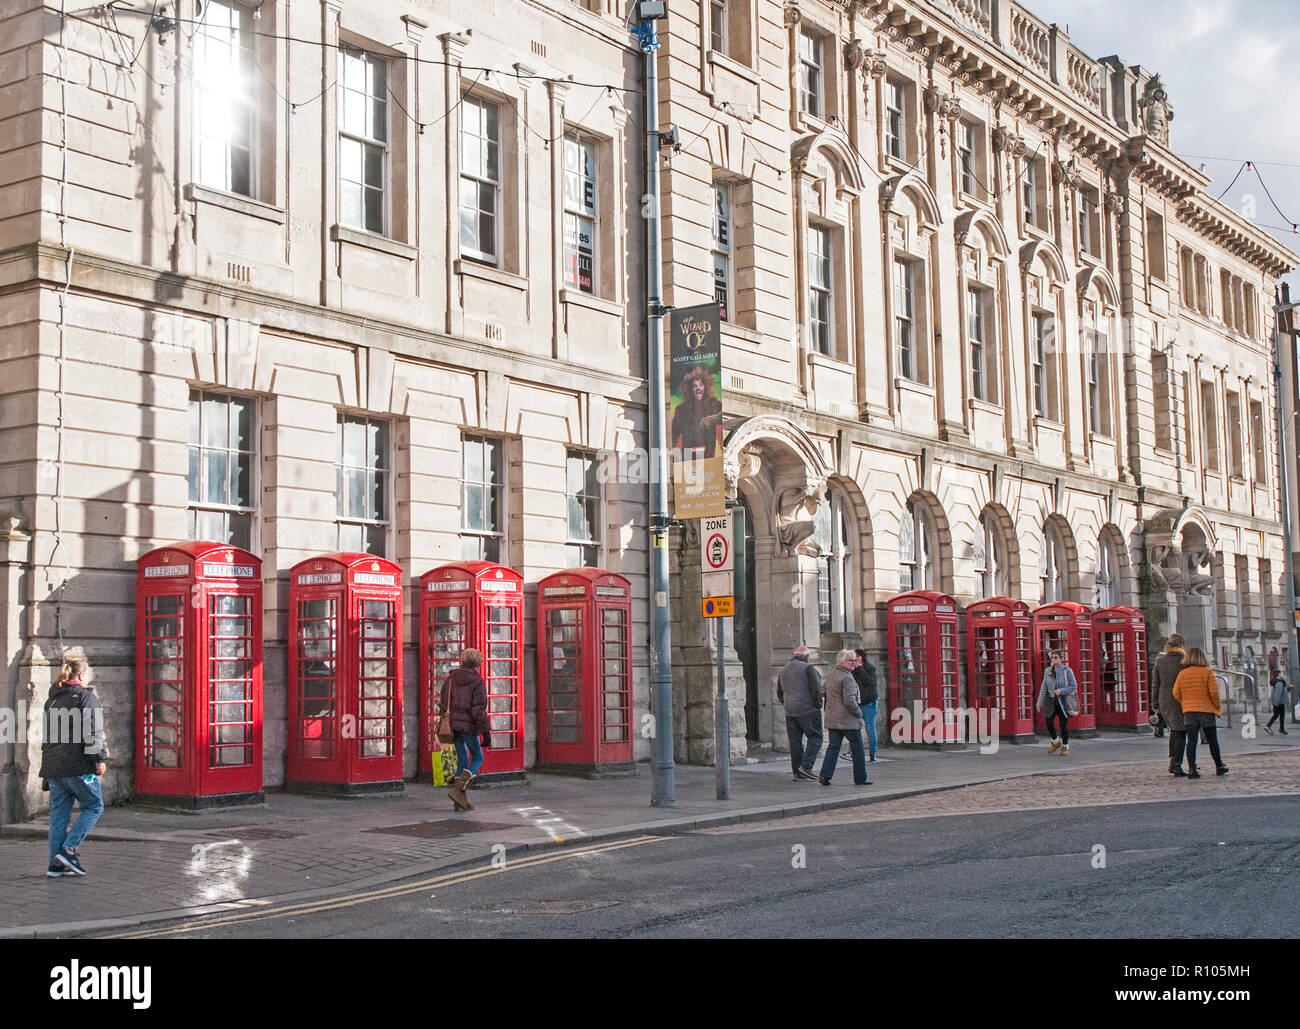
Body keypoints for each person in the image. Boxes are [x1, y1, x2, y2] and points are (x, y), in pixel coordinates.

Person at [40, 659, 108, 877]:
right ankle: (69, 850)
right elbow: (93, 731)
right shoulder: (86, 697)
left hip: (53, 767)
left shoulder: (52, 699)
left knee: (59, 816)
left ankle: (55, 864)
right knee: (94, 806)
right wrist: (99, 759)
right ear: (80, 676)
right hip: (78, 765)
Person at [439, 648, 491, 811]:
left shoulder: (451, 678)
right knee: (477, 758)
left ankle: (459, 800)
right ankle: (457, 790)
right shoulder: (477, 681)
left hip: (453, 725)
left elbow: (442, 700)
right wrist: (485, 731)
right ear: (478, 663)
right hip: (468, 726)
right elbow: (478, 710)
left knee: (462, 759)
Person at [1173, 647, 1228, 778]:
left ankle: (1192, 769)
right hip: (1206, 711)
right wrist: (1217, 707)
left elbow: (1175, 693)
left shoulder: (1182, 674)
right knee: (1212, 740)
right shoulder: (1207, 672)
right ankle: (1219, 766)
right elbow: (1214, 693)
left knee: (1191, 740)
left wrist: (1185, 702)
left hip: (1189, 711)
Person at [818, 649, 870, 787]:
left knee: (833, 747)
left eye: (855, 660)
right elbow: (849, 701)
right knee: (858, 749)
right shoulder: (847, 677)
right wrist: (859, 713)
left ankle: (825, 775)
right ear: (843, 662)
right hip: (848, 720)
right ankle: (860, 778)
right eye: (851, 660)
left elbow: (822, 691)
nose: (854, 663)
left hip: (833, 718)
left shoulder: (831, 675)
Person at [777, 645, 823, 782]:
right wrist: (817, 705)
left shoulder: (784, 669)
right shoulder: (808, 668)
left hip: (790, 710)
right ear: (807, 656)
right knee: (816, 737)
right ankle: (806, 767)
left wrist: (786, 703)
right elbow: (816, 689)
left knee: (795, 742)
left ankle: (797, 771)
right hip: (807, 709)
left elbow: (779, 692)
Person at [1152, 633, 1188, 776]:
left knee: (1174, 730)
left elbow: (1155, 684)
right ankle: (1176, 764)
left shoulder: (1160, 661)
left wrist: (1154, 703)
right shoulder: (1185, 660)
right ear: (1181, 645)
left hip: (1165, 700)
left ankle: (1173, 761)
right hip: (1180, 699)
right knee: (1181, 731)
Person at [1036, 650, 1078, 756]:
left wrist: (1061, 691)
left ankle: (1065, 746)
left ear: (1061, 659)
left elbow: (1073, 686)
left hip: (1063, 701)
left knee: (1063, 725)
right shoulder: (1047, 671)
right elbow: (1043, 688)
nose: (1053, 659)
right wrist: (1039, 703)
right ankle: (1055, 741)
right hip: (1050, 700)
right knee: (1048, 722)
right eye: (1052, 657)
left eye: (1056, 657)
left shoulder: (1067, 670)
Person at [852, 648, 879, 763]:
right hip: (856, 703)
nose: (853, 659)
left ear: (860, 657)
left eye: (855, 657)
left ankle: (872, 755)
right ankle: (852, 753)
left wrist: (860, 668)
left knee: (870, 729)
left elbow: (870, 683)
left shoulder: (870, 668)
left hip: (869, 703)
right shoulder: (852, 669)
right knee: (853, 728)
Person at [1264, 671, 1289, 735]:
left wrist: (1289, 688)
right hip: (1279, 703)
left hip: (1280, 702)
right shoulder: (1279, 683)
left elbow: (1283, 691)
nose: (1283, 674)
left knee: (1281, 715)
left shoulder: (1281, 682)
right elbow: (1278, 694)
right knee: (1276, 715)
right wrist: (1277, 704)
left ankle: (1281, 728)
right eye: (1282, 673)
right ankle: (1268, 726)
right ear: (1279, 675)